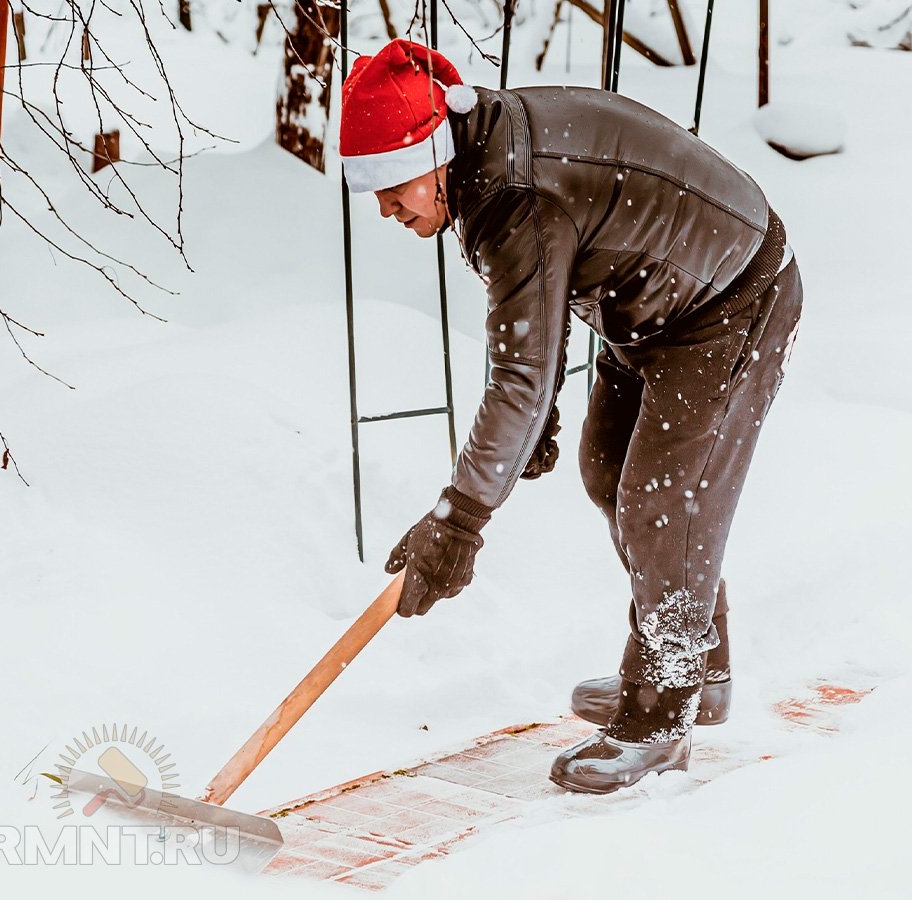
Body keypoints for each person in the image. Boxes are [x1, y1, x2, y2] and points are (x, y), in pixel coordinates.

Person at [338, 39, 803, 794]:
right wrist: (542, 411)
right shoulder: (485, 166)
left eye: (394, 186)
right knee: (609, 470)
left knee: (663, 504)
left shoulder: (513, 194)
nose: (387, 208)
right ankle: (699, 661)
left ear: (432, 154)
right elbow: (538, 327)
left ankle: (661, 711)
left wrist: (457, 522)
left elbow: (517, 373)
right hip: (650, 300)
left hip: (729, 298)